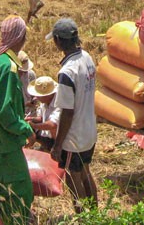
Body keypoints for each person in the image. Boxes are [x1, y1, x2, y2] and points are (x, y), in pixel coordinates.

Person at [0, 15, 36, 225]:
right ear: (21, 36)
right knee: (18, 194)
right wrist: (25, 129)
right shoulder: (9, 67)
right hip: (6, 145)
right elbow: (3, 110)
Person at [47, 18, 98, 214]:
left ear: (58, 41)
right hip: (89, 131)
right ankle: (96, 215)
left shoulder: (67, 73)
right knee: (85, 172)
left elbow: (67, 112)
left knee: (73, 177)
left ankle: (84, 216)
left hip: (74, 137)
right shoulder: (87, 58)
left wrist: (58, 144)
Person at [25, 75, 61, 152]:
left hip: (59, 141)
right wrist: (30, 119)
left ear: (48, 95)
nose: (36, 97)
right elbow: (42, 118)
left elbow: (52, 124)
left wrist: (33, 125)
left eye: (39, 95)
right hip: (47, 138)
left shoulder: (60, 103)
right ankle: (45, 147)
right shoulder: (44, 102)